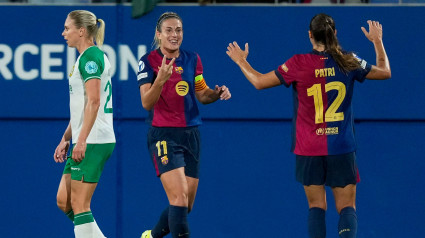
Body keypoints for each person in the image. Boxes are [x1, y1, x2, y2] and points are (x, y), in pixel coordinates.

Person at [226, 14, 390, 238]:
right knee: (347, 207)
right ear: (335, 34)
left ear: (310, 35)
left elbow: (258, 82)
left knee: (316, 207)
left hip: (308, 148)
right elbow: (385, 72)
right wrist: (377, 41)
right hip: (341, 147)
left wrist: (241, 61)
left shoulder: (297, 63)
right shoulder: (349, 59)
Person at [137, 12, 231, 238]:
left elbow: (202, 93)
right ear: (158, 34)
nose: (174, 35)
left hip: (191, 135)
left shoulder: (193, 59)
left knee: (185, 205)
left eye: (178, 30)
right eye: (169, 30)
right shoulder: (148, 61)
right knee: (178, 199)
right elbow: (146, 102)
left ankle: (151, 236)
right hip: (163, 135)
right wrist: (160, 79)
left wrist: (216, 94)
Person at [54, 10, 115, 238]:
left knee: (80, 205)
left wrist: (81, 141)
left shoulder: (91, 58)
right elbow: (82, 107)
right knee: (65, 201)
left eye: (67, 28)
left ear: (81, 31)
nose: (63, 33)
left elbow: (95, 101)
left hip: (93, 139)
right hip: (85, 138)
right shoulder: (87, 57)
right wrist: (66, 138)